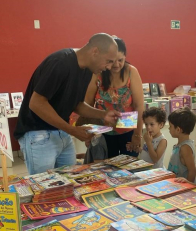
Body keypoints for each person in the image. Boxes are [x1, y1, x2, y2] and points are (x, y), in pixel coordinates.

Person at [14, 33, 120, 175]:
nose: (108, 67)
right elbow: (36, 103)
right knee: (45, 190)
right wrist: (72, 130)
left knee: (70, 184)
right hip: (38, 133)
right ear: (95, 51)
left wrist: (103, 114)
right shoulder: (60, 62)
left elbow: (77, 104)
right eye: (108, 61)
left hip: (62, 133)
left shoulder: (87, 70)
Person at [84, 37, 145, 158]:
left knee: (129, 170)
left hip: (129, 131)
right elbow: (88, 103)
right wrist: (89, 133)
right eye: (112, 61)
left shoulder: (131, 72)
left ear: (125, 57)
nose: (116, 65)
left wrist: (137, 134)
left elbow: (139, 105)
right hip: (103, 132)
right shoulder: (98, 72)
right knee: (105, 170)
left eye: (120, 60)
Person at [167, 107, 196, 182]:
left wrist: (188, 186)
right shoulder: (179, 145)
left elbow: (192, 171)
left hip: (182, 187)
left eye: (170, 126)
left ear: (178, 130)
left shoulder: (185, 148)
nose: (168, 128)